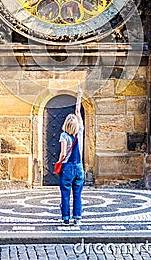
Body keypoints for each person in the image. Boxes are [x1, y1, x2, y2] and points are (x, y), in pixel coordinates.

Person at [58, 90, 85, 225]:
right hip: (79, 167)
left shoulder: (64, 136)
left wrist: (59, 162)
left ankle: (65, 218)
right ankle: (77, 218)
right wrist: (79, 96)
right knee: (77, 194)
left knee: (65, 193)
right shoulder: (79, 132)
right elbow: (78, 112)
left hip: (67, 167)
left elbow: (63, 154)